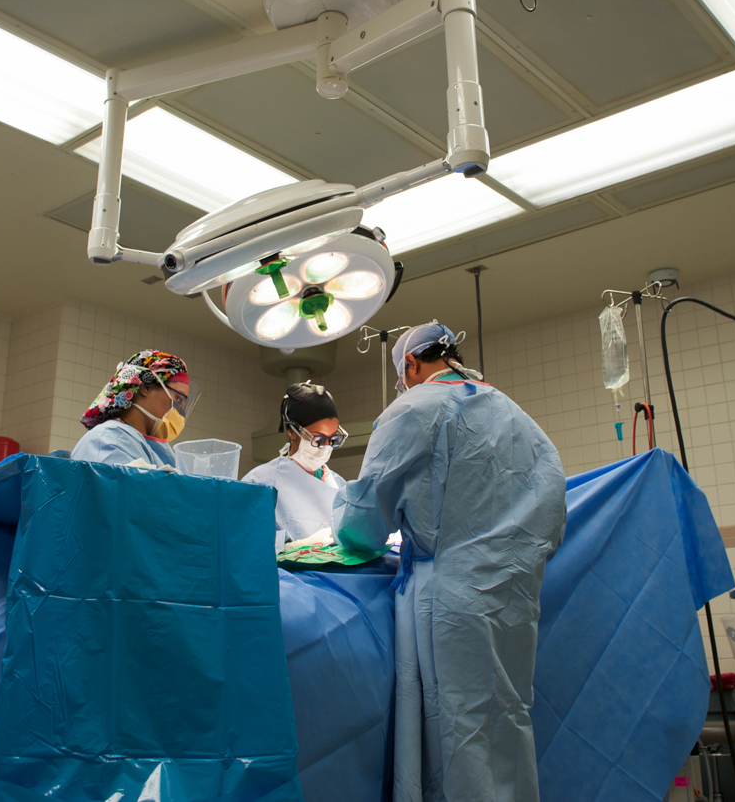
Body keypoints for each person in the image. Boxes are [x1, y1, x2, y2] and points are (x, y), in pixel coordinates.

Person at [332, 321, 567, 802]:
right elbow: (552, 514)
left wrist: (350, 534)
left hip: (450, 601)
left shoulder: (414, 408)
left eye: (403, 377)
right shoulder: (516, 416)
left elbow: (364, 520)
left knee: (458, 732)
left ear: (411, 365)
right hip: (513, 597)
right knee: (508, 717)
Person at [242, 381, 349, 542]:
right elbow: (245, 539)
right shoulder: (259, 482)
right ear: (292, 433)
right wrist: (291, 548)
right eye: (318, 439)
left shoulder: (339, 486)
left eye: (333, 439)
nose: (326, 447)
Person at [71, 349, 190, 469]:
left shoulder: (152, 448)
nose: (179, 411)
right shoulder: (105, 441)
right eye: (178, 399)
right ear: (146, 388)